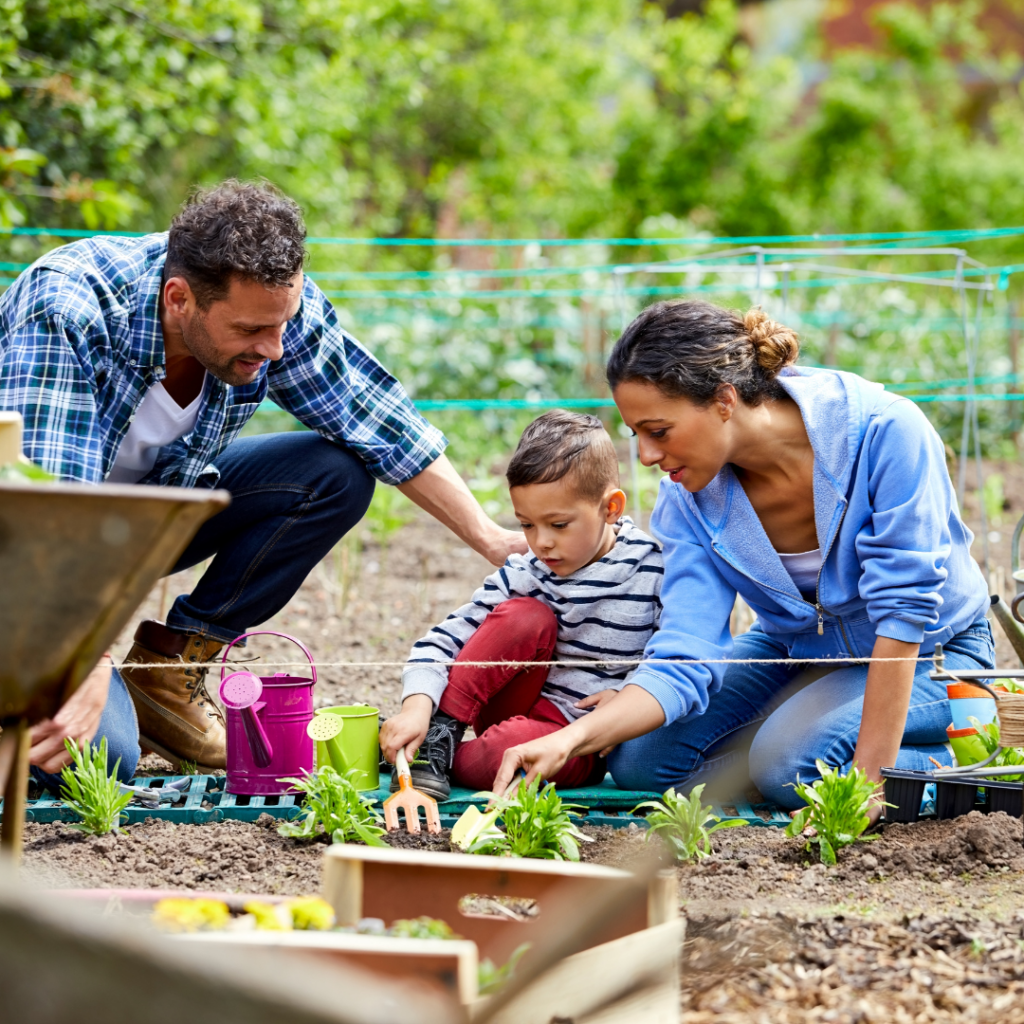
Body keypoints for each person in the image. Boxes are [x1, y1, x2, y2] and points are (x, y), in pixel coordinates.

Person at [0, 179, 525, 785]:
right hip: (27, 554)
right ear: (179, 300)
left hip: (139, 522)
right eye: (251, 332)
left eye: (283, 324)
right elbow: (45, 512)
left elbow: (377, 419)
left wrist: (490, 537)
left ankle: (165, 675)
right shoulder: (67, 307)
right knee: (94, 754)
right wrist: (85, 666)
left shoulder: (269, 308)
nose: (274, 348)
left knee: (332, 475)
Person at [489, 300, 993, 817]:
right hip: (798, 651)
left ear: (724, 400)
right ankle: (796, 740)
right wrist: (572, 739)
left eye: (658, 431)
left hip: (936, 654)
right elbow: (687, 645)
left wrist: (868, 786)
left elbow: (904, 612)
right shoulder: (687, 498)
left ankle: (968, 751)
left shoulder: (884, 432)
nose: (644, 456)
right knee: (642, 763)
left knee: (791, 767)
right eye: (635, 433)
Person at [378, 410, 664, 799]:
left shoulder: (653, 570)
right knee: (525, 615)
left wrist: (628, 695)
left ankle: (415, 754)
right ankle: (435, 735)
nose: (541, 542)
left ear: (610, 508)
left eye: (558, 525)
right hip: (510, 701)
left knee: (506, 751)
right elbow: (443, 641)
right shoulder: (528, 570)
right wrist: (417, 706)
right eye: (527, 524)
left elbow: (672, 658)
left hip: (577, 739)